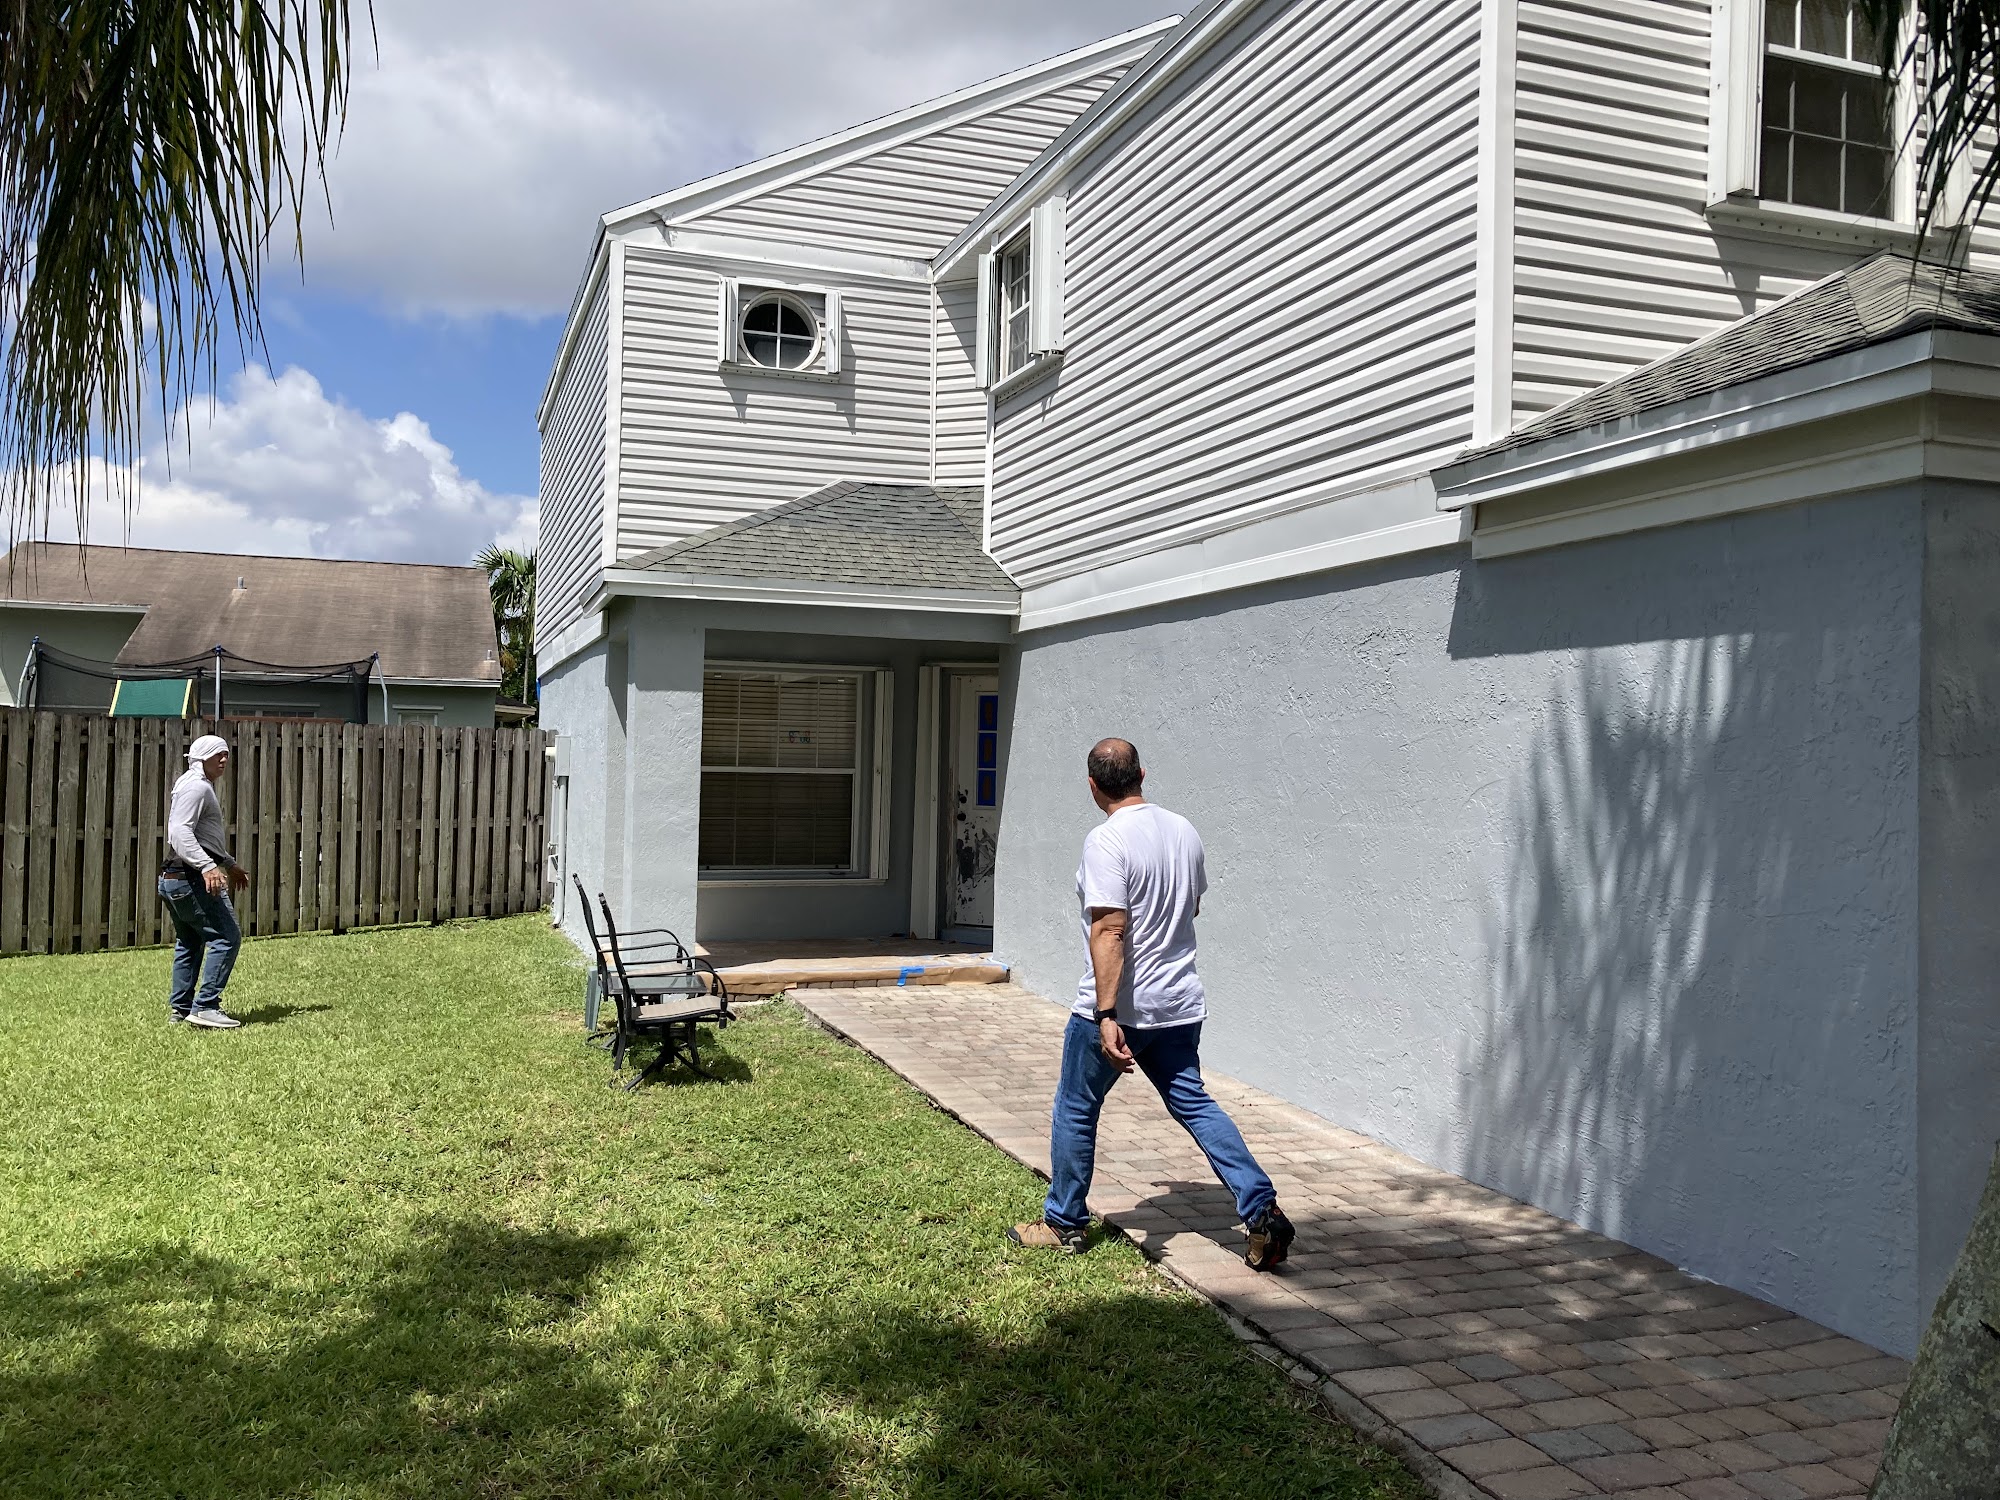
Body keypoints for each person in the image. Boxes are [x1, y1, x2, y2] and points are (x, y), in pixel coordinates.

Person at [1010, 738, 1296, 1269]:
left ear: (1092, 786)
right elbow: (1193, 906)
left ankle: (1062, 1222)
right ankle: (1261, 1208)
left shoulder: (1105, 840)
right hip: (1179, 1004)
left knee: (1076, 1107)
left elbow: (1110, 928)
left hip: (1121, 1009)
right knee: (1194, 1103)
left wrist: (1106, 1013)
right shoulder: (1183, 830)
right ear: (1142, 774)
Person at [159, 734, 249, 1028]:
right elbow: (179, 832)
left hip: (174, 878)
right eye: (217, 754)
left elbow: (204, 837)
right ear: (200, 757)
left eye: (226, 754)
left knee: (190, 941)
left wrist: (228, 864)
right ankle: (206, 1006)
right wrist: (208, 867)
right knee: (227, 938)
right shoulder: (196, 787)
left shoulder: (192, 784)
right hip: (191, 879)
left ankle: (181, 1010)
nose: (224, 759)